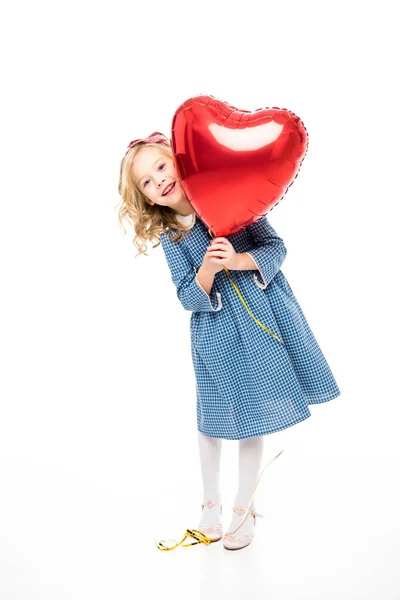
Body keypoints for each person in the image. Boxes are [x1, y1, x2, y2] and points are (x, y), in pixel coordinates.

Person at [116, 131, 341, 550]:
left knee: (253, 414)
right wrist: (206, 270)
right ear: (146, 199)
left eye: (161, 167)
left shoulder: (229, 196)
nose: (159, 181)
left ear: (179, 161)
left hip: (260, 321)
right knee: (213, 417)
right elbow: (186, 295)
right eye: (146, 182)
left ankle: (244, 505)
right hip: (216, 332)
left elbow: (275, 246)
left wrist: (237, 260)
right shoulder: (173, 236)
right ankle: (209, 503)